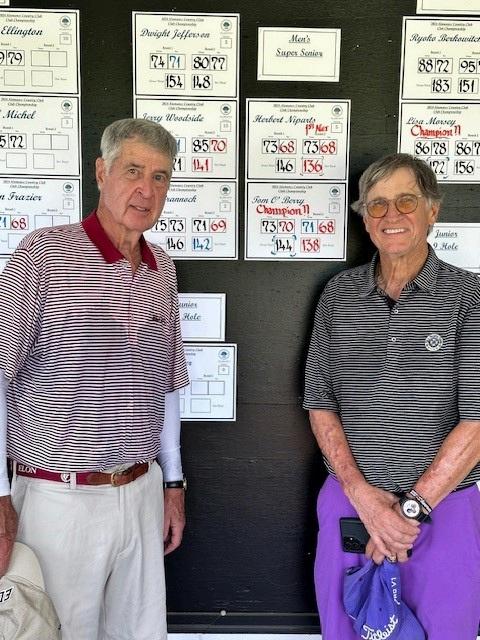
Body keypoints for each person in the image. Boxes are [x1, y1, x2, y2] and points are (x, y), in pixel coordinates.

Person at [0, 118, 190, 640]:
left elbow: (168, 384)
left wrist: (173, 484)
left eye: (159, 176)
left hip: (141, 491)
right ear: (102, 172)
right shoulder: (43, 253)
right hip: (59, 500)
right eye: (133, 171)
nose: (146, 189)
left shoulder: (161, 267)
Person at [304, 153, 480, 640]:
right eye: (377, 205)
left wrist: (408, 512)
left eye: (406, 201)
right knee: (346, 630)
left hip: (445, 508)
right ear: (364, 218)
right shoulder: (338, 296)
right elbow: (320, 403)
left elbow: (477, 423)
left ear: (432, 210)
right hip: (350, 501)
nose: (391, 215)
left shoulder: (470, 297)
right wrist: (363, 497)